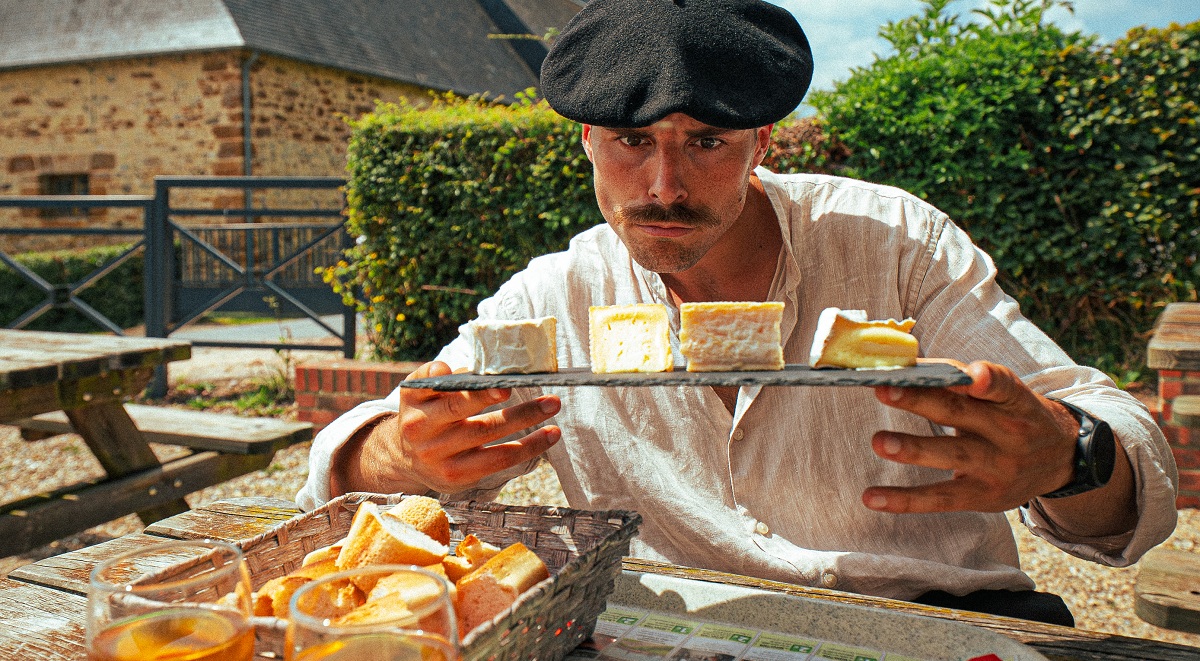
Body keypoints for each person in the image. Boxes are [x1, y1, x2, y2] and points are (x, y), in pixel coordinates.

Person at [298, 0, 1178, 626]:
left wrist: (1071, 455)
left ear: (762, 143)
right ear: (588, 142)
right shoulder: (557, 291)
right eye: (632, 142)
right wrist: (402, 453)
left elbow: (1127, 476)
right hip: (668, 631)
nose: (665, 186)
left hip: (928, 623)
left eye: (706, 142)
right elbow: (349, 475)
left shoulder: (893, 242)